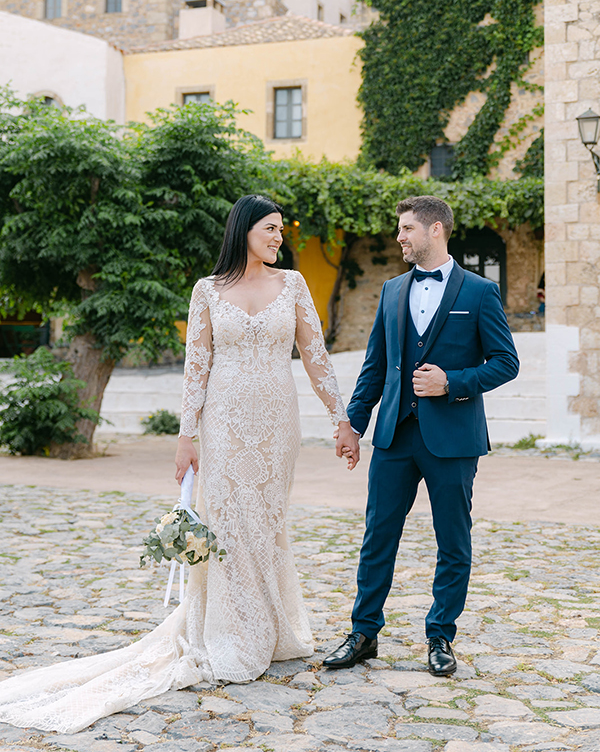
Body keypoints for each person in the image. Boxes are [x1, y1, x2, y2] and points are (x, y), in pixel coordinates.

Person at [0, 194, 354, 734]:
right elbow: (197, 365)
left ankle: (275, 628)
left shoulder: (295, 286)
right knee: (230, 524)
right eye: (270, 228)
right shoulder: (207, 291)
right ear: (243, 231)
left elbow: (315, 355)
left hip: (279, 424)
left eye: (283, 229)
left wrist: (341, 417)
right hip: (224, 423)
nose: (280, 237)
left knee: (268, 524)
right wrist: (186, 435)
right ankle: (237, 637)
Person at [327, 195, 519, 676]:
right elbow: (374, 367)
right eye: (400, 228)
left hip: (452, 438)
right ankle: (364, 632)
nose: (400, 236)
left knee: (453, 541)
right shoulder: (392, 290)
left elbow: (506, 363)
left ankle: (440, 637)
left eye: (408, 228)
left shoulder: (479, 292)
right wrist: (354, 423)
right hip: (394, 435)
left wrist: (452, 382)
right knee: (377, 536)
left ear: (436, 230)